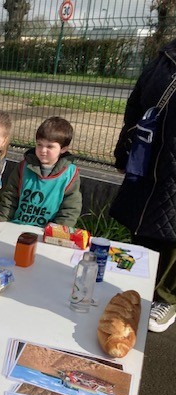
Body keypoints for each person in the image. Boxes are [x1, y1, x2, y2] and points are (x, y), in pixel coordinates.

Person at [109, 39, 176, 333]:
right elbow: (137, 102)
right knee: (144, 222)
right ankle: (138, 286)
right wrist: (124, 150)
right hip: (150, 156)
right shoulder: (167, 56)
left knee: (172, 234)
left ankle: (167, 298)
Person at [0, 116, 82, 228]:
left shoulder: (70, 174)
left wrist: (58, 232)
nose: (43, 150)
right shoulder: (23, 167)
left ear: (63, 149)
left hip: (48, 232)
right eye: (39, 144)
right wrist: (0, 222)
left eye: (50, 146)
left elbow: (70, 208)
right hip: (17, 226)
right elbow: (10, 198)